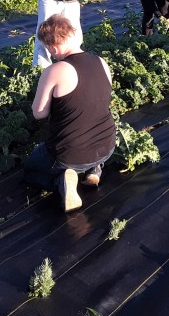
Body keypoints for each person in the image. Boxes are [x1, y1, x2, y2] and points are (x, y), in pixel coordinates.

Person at [24, 15, 115, 212]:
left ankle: (61, 183)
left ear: (54, 48)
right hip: (107, 145)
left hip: (71, 154)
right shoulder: (101, 62)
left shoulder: (56, 70)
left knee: (31, 171)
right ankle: (95, 169)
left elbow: (39, 113)